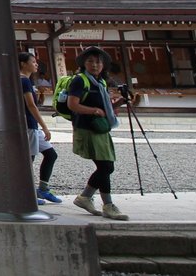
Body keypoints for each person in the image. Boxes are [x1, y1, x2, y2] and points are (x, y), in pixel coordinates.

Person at [67, 46, 129, 220]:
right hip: (88, 128)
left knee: (105, 166)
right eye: (91, 61)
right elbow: (73, 105)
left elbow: (104, 108)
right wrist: (94, 110)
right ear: (83, 64)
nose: (95, 65)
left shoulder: (99, 82)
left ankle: (86, 197)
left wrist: (120, 103)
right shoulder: (80, 81)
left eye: (98, 62)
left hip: (100, 128)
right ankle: (106, 205)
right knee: (106, 166)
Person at [19, 53, 61, 205]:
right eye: (33, 61)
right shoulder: (23, 81)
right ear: (23, 64)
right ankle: (25, 193)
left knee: (51, 155)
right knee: (28, 160)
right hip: (29, 125)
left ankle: (43, 188)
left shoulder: (25, 80)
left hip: (33, 126)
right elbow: (31, 105)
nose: (36, 64)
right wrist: (44, 126)